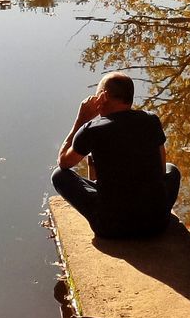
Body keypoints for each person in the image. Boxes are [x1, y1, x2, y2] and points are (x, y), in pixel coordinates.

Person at [51, 71, 181, 239]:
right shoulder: (151, 120)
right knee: (172, 170)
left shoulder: (91, 129)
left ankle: (112, 205)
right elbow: (162, 170)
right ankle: (151, 209)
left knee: (59, 175)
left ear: (103, 96)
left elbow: (63, 162)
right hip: (157, 224)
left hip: (111, 227)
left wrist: (81, 120)